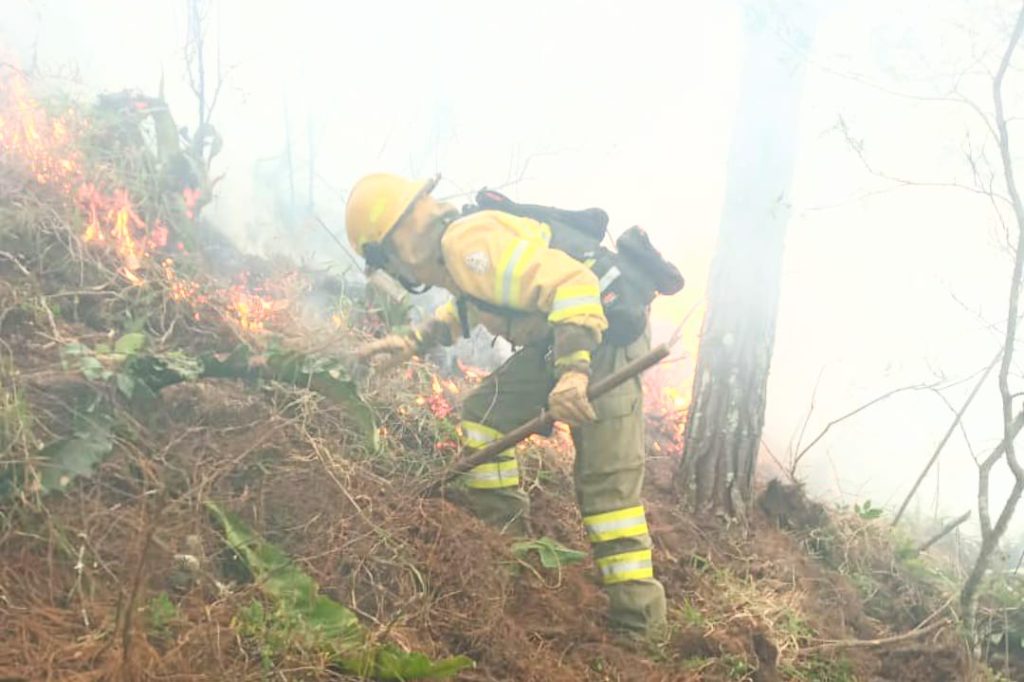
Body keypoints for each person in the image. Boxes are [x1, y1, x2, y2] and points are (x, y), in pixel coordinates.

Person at [346, 172, 667, 637]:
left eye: (382, 261)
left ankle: (640, 627)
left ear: (395, 245)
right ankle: (505, 544)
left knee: (607, 492)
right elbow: (476, 303)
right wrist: (411, 342)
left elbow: (574, 283)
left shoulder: (469, 243)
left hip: (605, 342)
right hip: (564, 340)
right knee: (483, 415)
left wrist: (574, 372)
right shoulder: (461, 251)